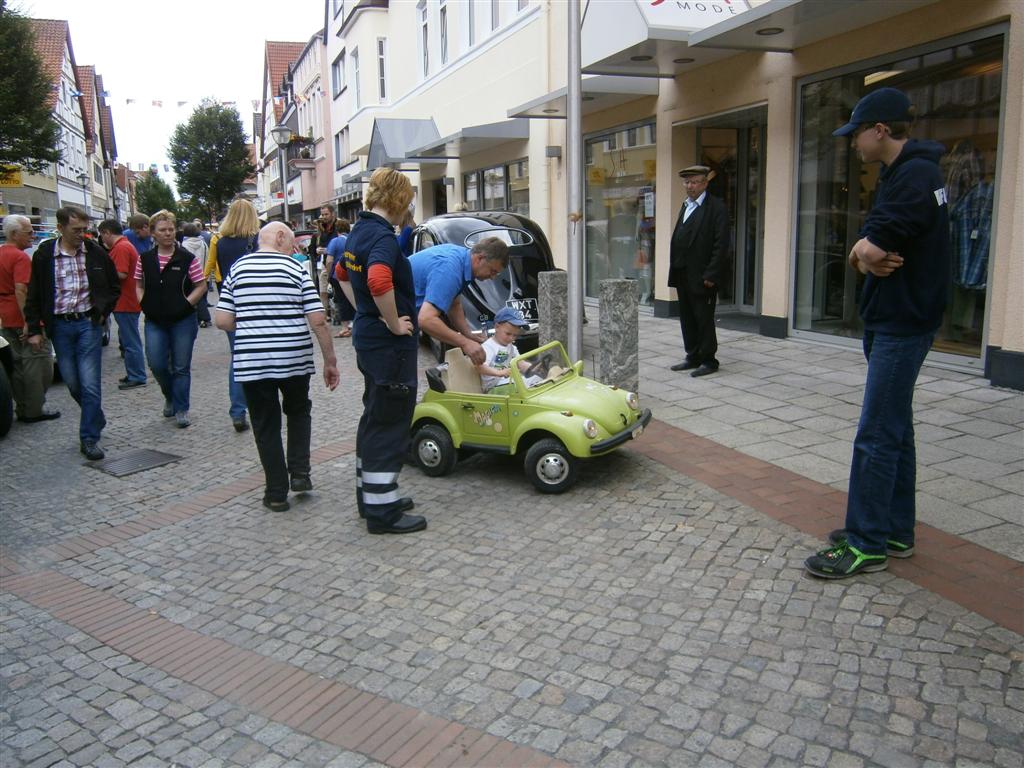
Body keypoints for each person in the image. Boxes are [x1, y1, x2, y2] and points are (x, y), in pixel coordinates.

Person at [805, 87, 950, 579]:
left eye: (857, 134)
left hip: (901, 323)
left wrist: (864, 252)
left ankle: (866, 543)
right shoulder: (903, 174)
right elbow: (863, 249)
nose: (853, 144)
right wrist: (861, 252)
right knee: (897, 429)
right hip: (897, 318)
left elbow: (873, 245)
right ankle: (894, 530)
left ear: (880, 130)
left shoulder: (915, 177)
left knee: (876, 434)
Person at [215, 222, 339, 512]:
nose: (294, 249)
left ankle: (276, 492)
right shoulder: (296, 269)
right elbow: (318, 319)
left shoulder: (237, 269)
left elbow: (222, 320)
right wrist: (330, 361)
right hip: (294, 357)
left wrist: (251, 324)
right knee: (298, 412)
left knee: (265, 424)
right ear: (280, 237)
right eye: (293, 242)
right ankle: (300, 473)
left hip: (253, 360)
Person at [340, 167, 426, 534]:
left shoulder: (358, 231)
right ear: (400, 199)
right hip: (389, 346)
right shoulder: (384, 239)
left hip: (368, 340)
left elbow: (343, 276)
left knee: (374, 417)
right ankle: (383, 512)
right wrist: (391, 321)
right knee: (390, 423)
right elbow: (377, 279)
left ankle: (373, 496)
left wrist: (365, 313)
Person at [24, 207, 119, 460]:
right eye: (76, 230)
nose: (81, 234)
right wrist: (34, 328)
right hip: (60, 326)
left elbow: (113, 286)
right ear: (61, 228)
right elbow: (34, 293)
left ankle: (88, 438)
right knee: (73, 383)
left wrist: (102, 311)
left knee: (89, 383)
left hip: (88, 324)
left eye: (84, 229)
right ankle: (96, 416)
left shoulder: (96, 253)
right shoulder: (45, 255)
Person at [135, 210, 207, 428]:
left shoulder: (186, 258)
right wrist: (143, 302)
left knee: (181, 366)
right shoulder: (145, 259)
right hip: (155, 319)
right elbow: (137, 283)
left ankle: (182, 407)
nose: (167, 234)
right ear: (153, 234)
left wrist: (187, 303)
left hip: (183, 320)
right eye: (162, 230)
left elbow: (201, 285)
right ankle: (170, 395)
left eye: (170, 229)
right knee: (156, 363)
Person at [667, 165, 729, 378]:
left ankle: (709, 360)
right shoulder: (686, 206)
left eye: (694, 182)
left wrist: (711, 274)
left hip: (703, 276)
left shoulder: (716, 207)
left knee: (703, 318)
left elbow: (722, 245)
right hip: (683, 272)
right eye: (687, 182)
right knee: (687, 316)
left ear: (705, 183)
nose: (690, 186)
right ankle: (692, 355)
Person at [204, 199, 260, 432]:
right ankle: (261, 404)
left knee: (238, 357)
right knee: (262, 355)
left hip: (232, 305)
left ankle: (238, 410)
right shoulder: (257, 240)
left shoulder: (221, 241)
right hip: (256, 306)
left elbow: (212, 269)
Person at [408, 238, 509, 365]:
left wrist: (468, 334)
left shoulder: (462, 259)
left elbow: (454, 305)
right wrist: (465, 342)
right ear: (480, 258)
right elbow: (425, 320)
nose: (493, 277)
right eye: (493, 271)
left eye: (497, 274)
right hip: (389, 320)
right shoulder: (450, 270)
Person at [0, 215, 59, 422]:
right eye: (29, 232)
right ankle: (34, 410)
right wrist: (29, 322)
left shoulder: (1, 253)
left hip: (5, 316)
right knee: (39, 364)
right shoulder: (19, 257)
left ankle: (23, 407)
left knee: (16, 365)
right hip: (20, 316)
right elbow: (21, 290)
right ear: (15, 234)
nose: (33, 236)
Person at [97, 219, 146, 390]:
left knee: (130, 340)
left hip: (125, 300)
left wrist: (100, 276)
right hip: (125, 300)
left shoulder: (121, 248)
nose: (102, 239)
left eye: (102, 235)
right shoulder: (124, 246)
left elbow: (121, 273)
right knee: (128, 339)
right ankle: (134, 372)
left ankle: (137, 375)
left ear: (107, 232)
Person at [476, 307, 535, 394]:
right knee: (521, 385)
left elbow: (521, 363)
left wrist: (538, 369)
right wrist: (499, 373)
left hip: (508, 382)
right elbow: (480, 367)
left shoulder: (511, 347)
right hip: (493, 387)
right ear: (496, 327)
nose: (511, 338)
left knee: (538, 380)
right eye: (508, 334)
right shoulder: (488, 347)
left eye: (515, 335)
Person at [325, 219, 353, 337]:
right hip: (353, 273)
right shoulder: (353, 240)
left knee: (341, 300)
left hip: (339, 275)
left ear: (337, 230)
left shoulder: (335, 241)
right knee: (352, 298)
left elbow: (329, 260)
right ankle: (354, 324)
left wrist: (328, 273)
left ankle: (345, 327)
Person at [181, 222, 212, 327]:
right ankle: (203, 317)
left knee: (198, 298)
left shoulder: (184, 245)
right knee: (202, 297)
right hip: (204, 273)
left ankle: (204, 318)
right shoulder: (203, 243)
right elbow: (208, 257)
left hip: (191, 275)